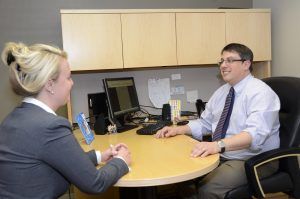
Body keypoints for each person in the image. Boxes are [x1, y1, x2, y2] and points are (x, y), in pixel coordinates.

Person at [0, 42, 131, 199]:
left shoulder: (13, 119)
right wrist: (121, 161)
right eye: (68, 77)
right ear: (50, 84)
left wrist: (99, 156)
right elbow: (95, 183)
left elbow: (60, 159)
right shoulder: (50, 126)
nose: (72, 83)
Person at [155, 43, 280, 199]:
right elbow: (205, 124)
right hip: (223, 153)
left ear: (246, 64)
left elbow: (254, 135)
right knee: (182, 174)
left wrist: (217, 145)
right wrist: (178, 130)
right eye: (221, 61)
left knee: (208, 188)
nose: (223, 65)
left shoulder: (261, 94)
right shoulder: (222, 92)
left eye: (229, 60)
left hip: (253, 159)